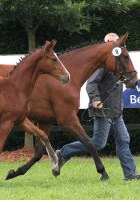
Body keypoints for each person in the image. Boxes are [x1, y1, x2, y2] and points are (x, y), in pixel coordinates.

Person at [57, 33, 140, 180]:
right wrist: (95, 100)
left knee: (124, 140)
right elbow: (91, 84)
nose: (117, 47)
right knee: (98, 143)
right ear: (106, 43)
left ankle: (130, 174)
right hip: (103, 109)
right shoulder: (101, 65)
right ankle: (63, 153)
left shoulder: (118, 61)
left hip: (116, 110)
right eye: (113, 44)